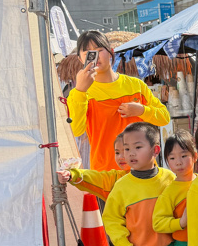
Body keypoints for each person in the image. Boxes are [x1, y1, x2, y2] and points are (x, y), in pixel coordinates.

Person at [67, 31, 170, 172]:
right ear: (80, 59)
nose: (95, 56)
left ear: (111, 52)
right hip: (106, 173)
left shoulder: (136, 85)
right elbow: (76, 130)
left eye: (99, 50)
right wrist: (80, 91)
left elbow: (164, 118)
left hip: (143, 171)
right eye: (88, 53)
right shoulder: (79, 93)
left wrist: (142, 110)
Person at [102, 123, 174, 246]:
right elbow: (111, 219)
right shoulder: (121, 186)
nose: (130, 153)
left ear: (155, 150)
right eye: (126, 149)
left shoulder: (169, 178)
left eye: (138, 147)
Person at [58, 133, 129, 202]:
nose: (120, 157)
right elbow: (97, 178)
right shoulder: (117, 179)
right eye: (117, 153)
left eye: (126, 151)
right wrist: (72, 174)